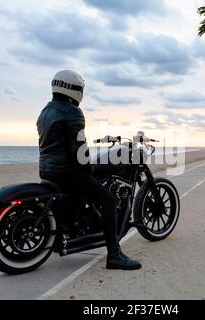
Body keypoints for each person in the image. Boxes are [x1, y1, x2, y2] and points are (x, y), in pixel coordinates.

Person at [37, 70, 141, 270]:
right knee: (109, 200)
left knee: (85, 194)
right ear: (74, 89)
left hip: (47, 170)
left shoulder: (45, 111)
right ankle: (115, 255)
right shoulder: (72, 112)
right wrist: (89, 168)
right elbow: (80, 149)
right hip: (68, 172)